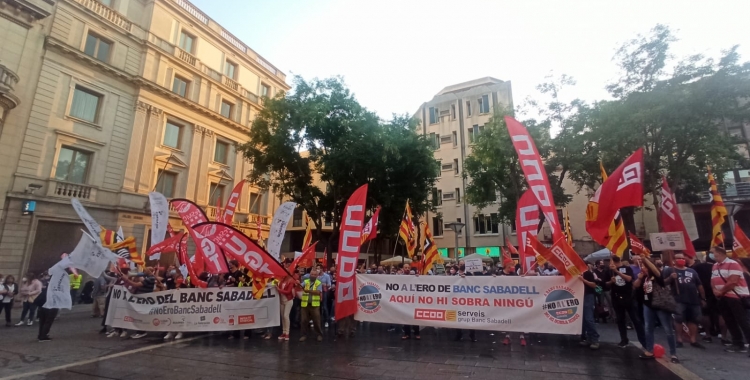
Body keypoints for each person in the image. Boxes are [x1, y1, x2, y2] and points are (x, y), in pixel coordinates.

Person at [634, 255, 679, 363]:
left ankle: (673, 354)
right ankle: (649, 350)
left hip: (660, 305)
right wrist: (639, 278)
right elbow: (635, 286)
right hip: (648, 305)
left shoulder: (657, 275)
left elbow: (656, 271)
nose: (643, 268)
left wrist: (644, 259)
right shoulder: (644, 277)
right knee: (648, 328)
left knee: (668, 330)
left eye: (645, 266)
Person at [709, 246, 750, 354]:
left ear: (719, 253)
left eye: (713, 252)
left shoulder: (733, 264)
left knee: (742, 321)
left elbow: (733, 281)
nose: (711, 255)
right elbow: (713, 280)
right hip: (722, 298)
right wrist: (714, 290)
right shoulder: (715, 266)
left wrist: (721, 291)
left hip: (735, 297)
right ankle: (738, 343)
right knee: (729, 320)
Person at [663, 253, 706, 349]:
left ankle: (693, 340)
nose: (681, 260)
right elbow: (663, 283)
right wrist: (671, 278)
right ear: (674, 260)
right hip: (679, 299)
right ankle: (679, 339)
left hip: (693, 299)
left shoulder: (692, 271)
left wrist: (703, 298)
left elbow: (699, 285)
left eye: (683, 258)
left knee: (694, 320)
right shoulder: (670, 270)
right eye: (679, 258)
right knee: (678, 319)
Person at [608, 256, 646, 348]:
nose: (610, 264)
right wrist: (610, 282)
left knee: (636, 320)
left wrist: (617, 271)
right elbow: (605, 284)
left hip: (629, 297)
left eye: (611, 262)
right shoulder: (609, 271)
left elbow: (629, 279)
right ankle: (624, 339)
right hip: (616, 297)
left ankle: (643, 341)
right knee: (620, 320)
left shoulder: (627, 268)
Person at [495, 258, 526, 346]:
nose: (511, 267)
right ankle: (507, 336)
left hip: (514, 299)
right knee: (507, 318)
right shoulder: (499, 273)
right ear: (506, 265)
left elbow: (518, 283)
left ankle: (521, 336)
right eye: (510, 265)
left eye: (512, 265)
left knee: (518, 317)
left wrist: (522, 279)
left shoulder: (514, 274)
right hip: (504, 300)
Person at [120, 267, 156, 339]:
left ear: (150, 271)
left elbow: (136, 285)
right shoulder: (147, 277)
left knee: (142, 315)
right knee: (138, 315)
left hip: (144, 299)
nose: (144, 271)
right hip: (141, 299)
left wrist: (126, 279)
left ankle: (142, 332)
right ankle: (139, 331)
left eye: (145, 270)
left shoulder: (150, 278)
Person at [578, 264, 601, 350]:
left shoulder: (588, 273)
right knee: (584, 319)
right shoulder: (576, 274)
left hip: (588, 296)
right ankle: (588, 338)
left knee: (588, 318)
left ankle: (595, 339)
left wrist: (583, 280)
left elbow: (594, 285)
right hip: (580, 296)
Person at [299, 269, 323, 342]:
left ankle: (319, 334)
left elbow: (318, 292)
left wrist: (308, 291)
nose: (313, 276)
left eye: (315, 274)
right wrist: (298, 284)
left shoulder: (319, 282)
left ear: (317, 275)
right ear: (310, 274)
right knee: (304, 320)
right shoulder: (306, 282)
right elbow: (300, 286)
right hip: (305, 304)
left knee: (316, 321)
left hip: (315, 305)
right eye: (312, 274)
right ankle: (304, 335)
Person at [400, 264, 420, 340]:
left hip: (413, 300)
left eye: (408, 268)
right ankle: (407, 334)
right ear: (403, 268)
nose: (407, 269)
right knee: (406, 318)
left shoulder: (415, 276)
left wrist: (417, 277)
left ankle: (417, 333)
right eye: (406, 267)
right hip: (404, 300)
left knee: (415, 317)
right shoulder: (400, 277)